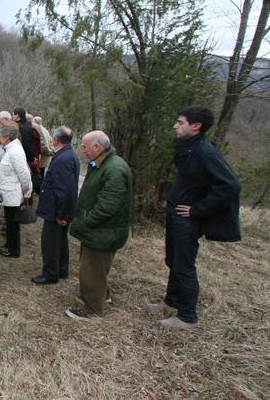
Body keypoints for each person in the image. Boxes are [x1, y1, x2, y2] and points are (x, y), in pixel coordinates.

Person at [149, 107, 241, 328]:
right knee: (173, 260)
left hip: (187, 219)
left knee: (184, 265)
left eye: (180, 122)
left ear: (196, 126)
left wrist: (197, 210)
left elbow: (230, 186)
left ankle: (187, 316)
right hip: (176, 214)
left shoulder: (205, 152)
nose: (175, 126)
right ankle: (171, 301)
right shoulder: (188, 149)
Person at [66, 131, 133, 321]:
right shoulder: (102, 162)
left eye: (85, 146)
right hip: (100, 230)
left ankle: (92, 309)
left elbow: (108, 207)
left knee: (92, 268)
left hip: (103, 231)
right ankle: (103, 295)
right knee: (97, 267)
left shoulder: (114, 169)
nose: (83, 150)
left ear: (97, 147)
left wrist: (86, 223)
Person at [32, 126, 79, 285]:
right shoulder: (69, 155)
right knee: (60, 239)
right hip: (62, 210)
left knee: (50, 242)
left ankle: (50, 274)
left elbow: (64, 190)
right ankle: (62, 269)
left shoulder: (63, 159)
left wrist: (60, 214)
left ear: (56, 140)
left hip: (56, 211)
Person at [0, 124, 33, 258]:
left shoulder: (15, 151)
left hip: (13, 194)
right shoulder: (11, 149)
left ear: (6, 137)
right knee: (10, 222)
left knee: (12, 223)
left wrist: (26, 192)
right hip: (8, 193)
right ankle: (9, 245)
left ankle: (13, 250)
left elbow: (24, 174)